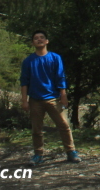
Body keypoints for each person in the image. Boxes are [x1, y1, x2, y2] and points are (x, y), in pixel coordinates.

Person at [20, 30, 81, 165]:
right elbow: (24, 82)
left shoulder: (55, 58)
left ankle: (71, 152)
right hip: (35, 99)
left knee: (64, 125)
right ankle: (38, 154)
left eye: (42, 38)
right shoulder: (28, 61)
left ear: (47, 41)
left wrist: (63, 95)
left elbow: (60, 77)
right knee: (37, 129)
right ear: (32, 43)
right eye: (36, 38)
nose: (39, 40)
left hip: (53, 98)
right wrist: (24, 101)